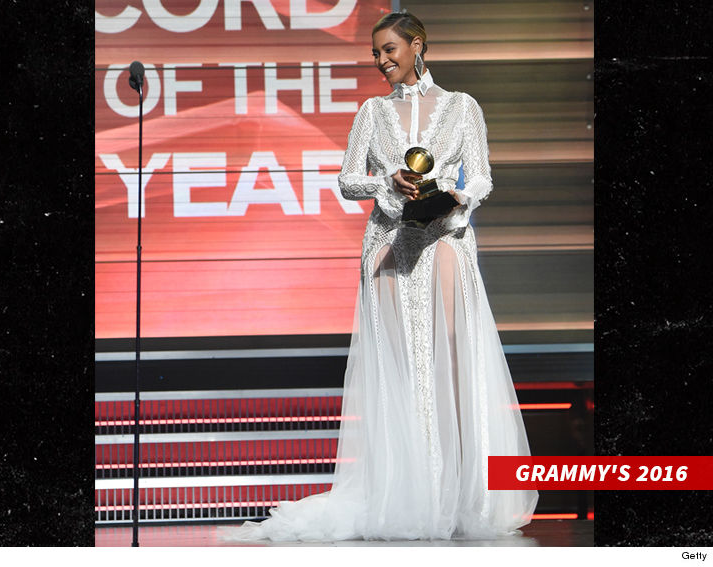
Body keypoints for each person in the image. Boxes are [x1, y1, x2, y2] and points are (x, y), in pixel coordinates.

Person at [222, 11, 538, 542]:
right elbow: (348, 179)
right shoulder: (372, 111)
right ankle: (408, 495)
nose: (381, 61)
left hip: (445, 240)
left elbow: (482, 175)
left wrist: (457, 195)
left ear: (418, 45)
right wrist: (386, 180)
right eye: (375, 53)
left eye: (389, 50)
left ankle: (455, 494)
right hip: (389, 242)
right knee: (400, 370)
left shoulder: (462, 107)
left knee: (452, 365)